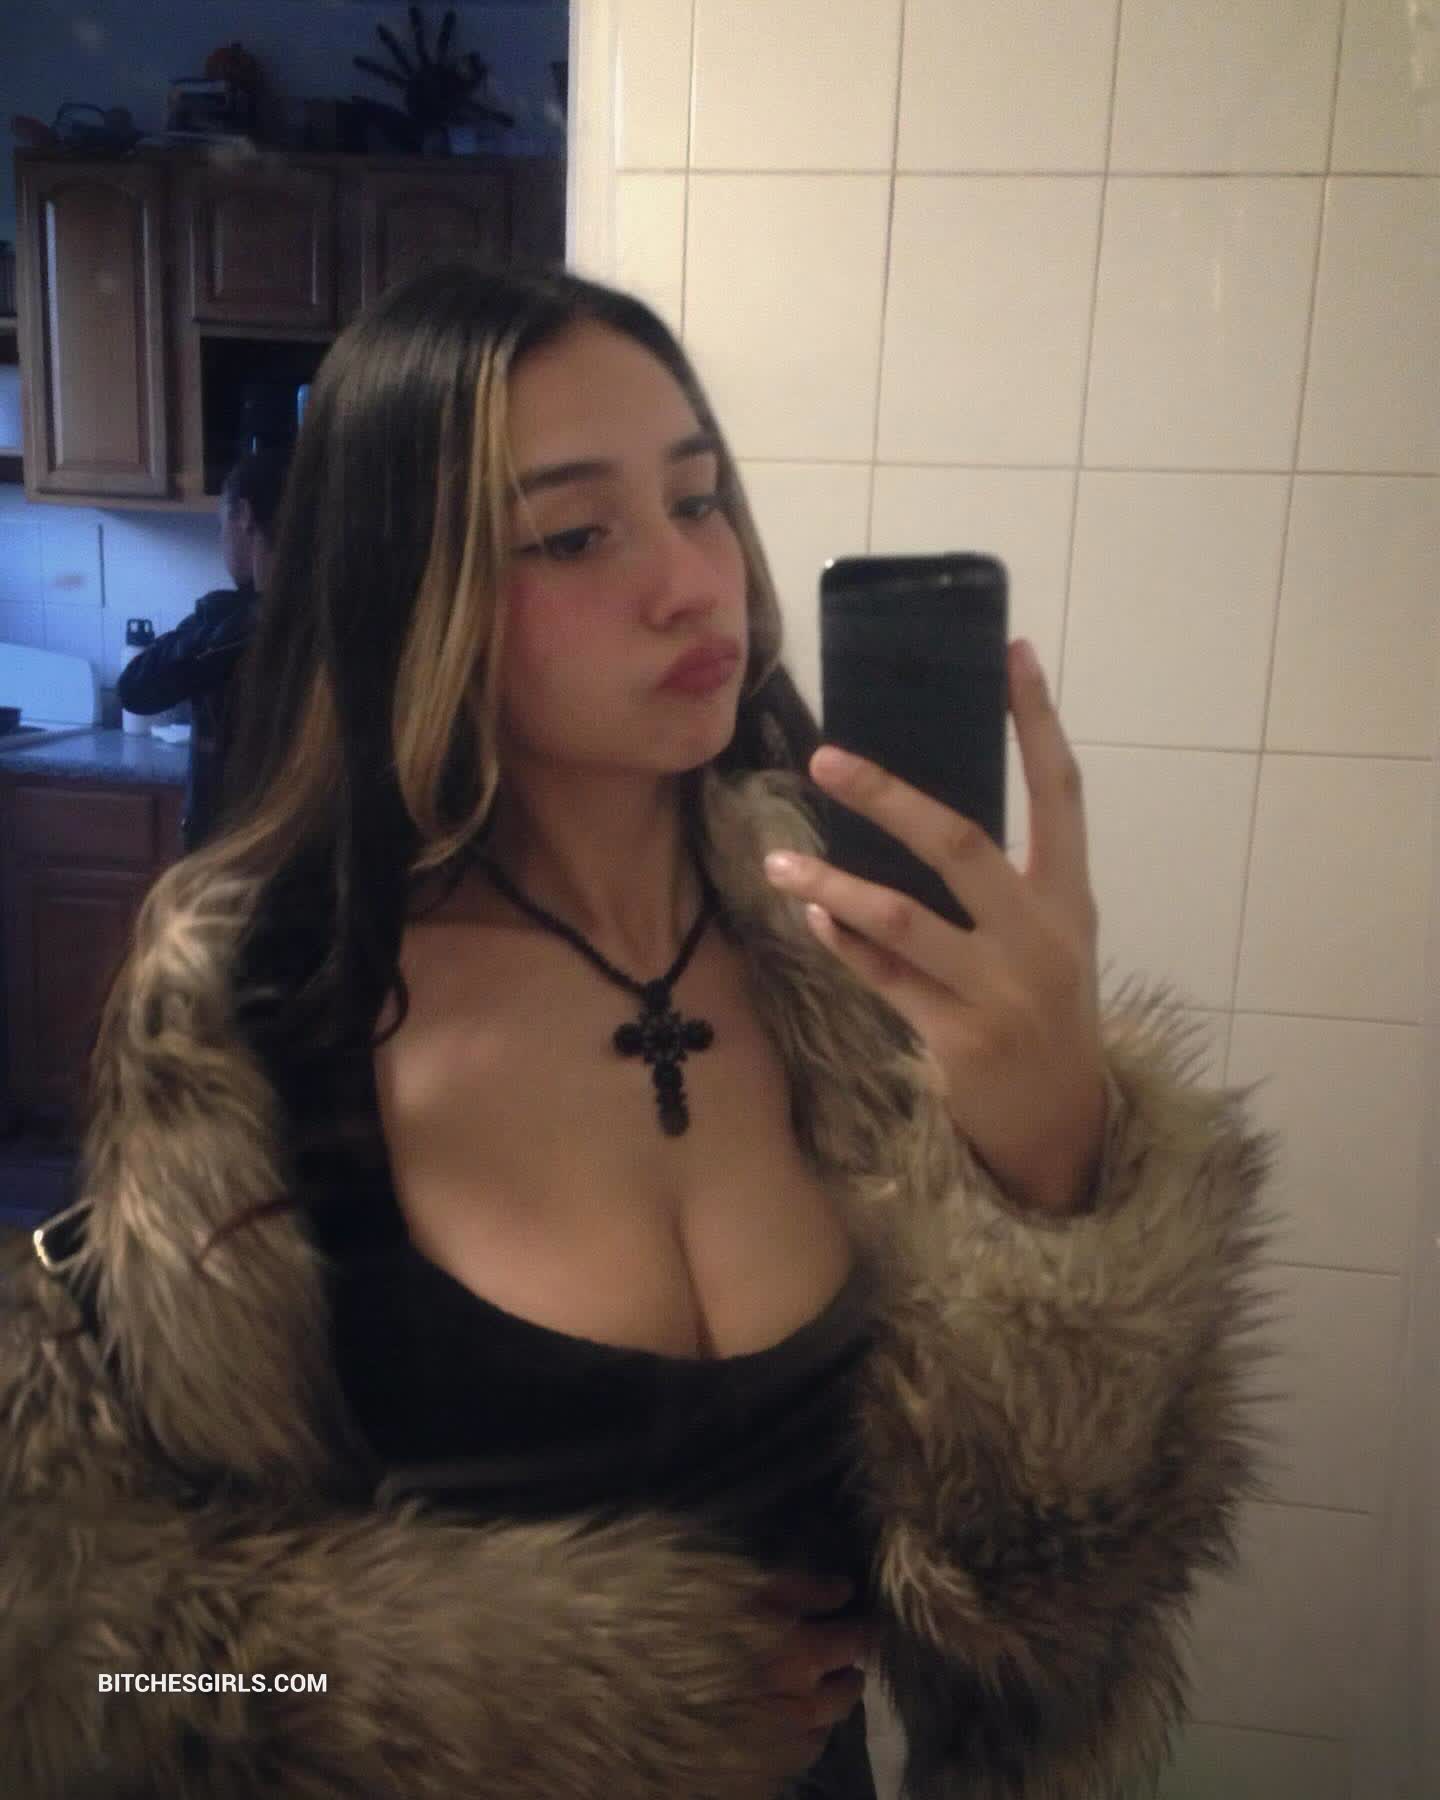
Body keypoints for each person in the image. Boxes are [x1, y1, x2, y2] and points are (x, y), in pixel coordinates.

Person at [1, 259, 1278, 1800]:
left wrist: (1062, 1173)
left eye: (698, 499)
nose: (691, 583)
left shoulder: (858, 972)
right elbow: (101, 1660)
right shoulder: (261, 1035)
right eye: (574, 535)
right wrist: (524, 1696)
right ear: (412, 590)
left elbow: (1049, 1607)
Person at [115, 447, 290, 852]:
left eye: (220, 524)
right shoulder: (332, 615)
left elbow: (135, 688)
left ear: (243, 515)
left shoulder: (231, 623)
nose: (221, 540)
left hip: (233, 851)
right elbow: (136, 690)